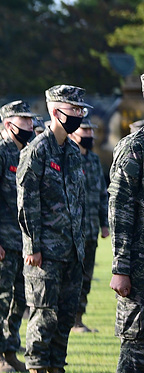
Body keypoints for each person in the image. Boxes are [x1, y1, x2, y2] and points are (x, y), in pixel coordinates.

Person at [17, 85, 92, 373]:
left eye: (80, 110)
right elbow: (26, 202)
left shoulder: (73, 152)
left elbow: (79, 201)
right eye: (73, 110)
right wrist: (32, 244)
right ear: (55, 111)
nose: (79, 115)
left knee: (64, 315)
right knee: (43, 312)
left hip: (72, 249)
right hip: (44, 251)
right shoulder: (36, 150)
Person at [0, 100, 37, 373]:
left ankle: (10, 350)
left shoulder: (26, 153)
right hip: (1, 240)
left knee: (19, 299)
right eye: (25, 122)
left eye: (31, 121)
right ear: (10, 124)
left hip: (23, 241)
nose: (31, 126)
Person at [108, 86, 144, 373]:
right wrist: (121, 266)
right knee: (137, 349)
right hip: (138, 266)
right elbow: (120, 209)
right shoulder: (135, 148)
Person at [70, 118, 109, 333]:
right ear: (73, 133)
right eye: (85, 130)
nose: (89, 135)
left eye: (91, 131)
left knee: (86, 277)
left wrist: (104, 224)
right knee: (72, 277)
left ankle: (78, 318)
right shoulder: (68, 157)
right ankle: (67, 320)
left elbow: (102, 194)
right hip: (73, 231)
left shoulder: (94, 160)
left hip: (92, 229)